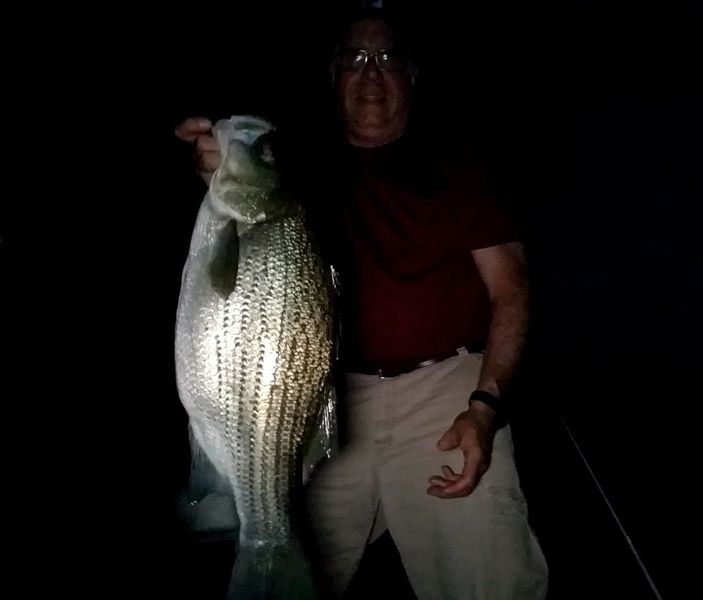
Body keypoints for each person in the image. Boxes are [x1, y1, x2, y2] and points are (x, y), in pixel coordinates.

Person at [175, 8, 548, 599]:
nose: (370, 72)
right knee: (280, 556)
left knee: (487, 581)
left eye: (386, 58)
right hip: (316, 399)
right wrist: (218, 164)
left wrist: (484, 404)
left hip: (444, 394)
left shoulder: (461, 162)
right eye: (355, 58)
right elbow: (247, 235)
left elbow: (512, 289)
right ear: (334, 75)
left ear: (411, 75)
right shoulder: (304, 165)